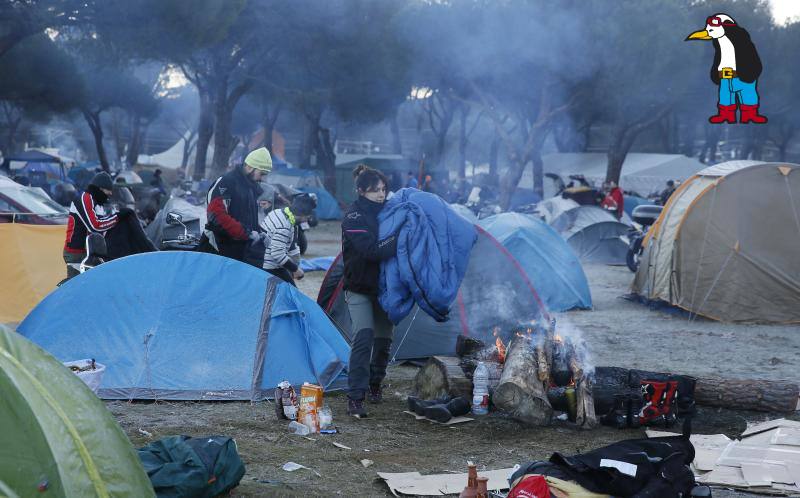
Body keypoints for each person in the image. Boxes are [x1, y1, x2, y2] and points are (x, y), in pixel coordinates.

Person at [342, 164, 399, 418]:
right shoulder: (353, 217)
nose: (381, 194)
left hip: (384, 289)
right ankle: (355, 396)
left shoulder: (389, 212)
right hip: (359, 288)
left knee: (384, 341)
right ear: (361, 191)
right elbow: (371, 250)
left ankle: (375, 384)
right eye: (375, 190)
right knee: (363, 338)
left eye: (384, 189)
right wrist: (398, 238)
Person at [198, 147, 270, 262]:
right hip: (219, 249)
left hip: (239, 249)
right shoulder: (227, 182)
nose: (262, 178)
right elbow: (216, 217)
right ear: (250, 167)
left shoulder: (250, 187)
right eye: (261, 173)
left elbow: (248, 218)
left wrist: (260, 233)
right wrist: (247, 233)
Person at [62, 172, 122, 279]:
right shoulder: (85, 198)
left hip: (90, 252)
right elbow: (95, 226)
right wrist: (117, 218)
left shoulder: (98, 202)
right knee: (76, 287)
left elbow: (102, 223)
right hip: (76, 253)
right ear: (100, 188)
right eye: (108, 190)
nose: (110, 193)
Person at [260, 193, 317, 285]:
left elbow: (292, 246)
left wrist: (295, 265)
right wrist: (295, 269)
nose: (308, 220)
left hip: (265, 261)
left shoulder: (279, 212)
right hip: (268, 266)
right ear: (302, 215)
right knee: (290, 292)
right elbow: (277, 254)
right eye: (308, 217)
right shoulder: (284, 227)